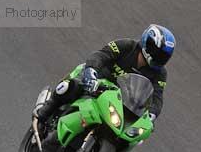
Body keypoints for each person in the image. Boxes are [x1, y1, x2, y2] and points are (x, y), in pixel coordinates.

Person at [34, 25, 176, 125]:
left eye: (164, 56)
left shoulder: (160, 73)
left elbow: (157, 96)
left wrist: (152, 114)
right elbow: (100, 55)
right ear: (147, 44)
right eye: (159, 54)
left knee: (133, 135)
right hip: (96, 81)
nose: (160, 58)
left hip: (119, 101)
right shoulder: (126, 46)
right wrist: (91, 71)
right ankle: (45, 111)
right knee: (70, 86)